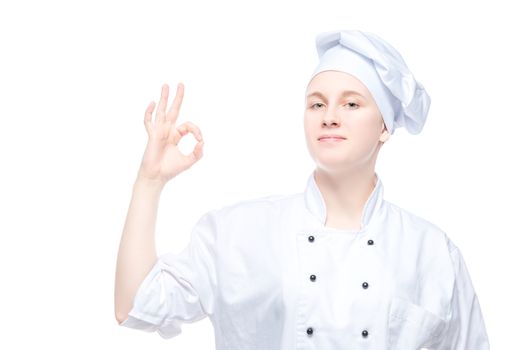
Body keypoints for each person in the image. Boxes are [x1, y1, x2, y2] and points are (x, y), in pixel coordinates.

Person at [114, 29, 490, 349]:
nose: (330, 116)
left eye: (352, 103)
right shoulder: (239, 232)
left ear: (384, 127)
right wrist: (149, 182)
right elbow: (134, 305)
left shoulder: (432, 252)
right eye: (317, 103)